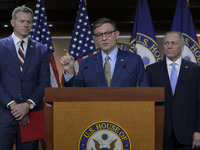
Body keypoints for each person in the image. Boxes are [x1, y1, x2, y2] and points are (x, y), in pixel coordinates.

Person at [0, 6, 50, 150]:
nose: (26, 25)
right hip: (4, 115)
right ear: (12, 22)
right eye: (22, 21)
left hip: (32, 114)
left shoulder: (42, 50)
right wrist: (13, 105)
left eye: (29, 22)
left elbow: (44, 82)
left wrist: (28, 105)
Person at [146, 31, 200, 150]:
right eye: (166, 43)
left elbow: (199, 102)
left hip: (188, 134)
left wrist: (198, 130)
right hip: (161, 133)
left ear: (182, 47)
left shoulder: (195, 70)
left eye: (173, 43)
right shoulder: (151, 70)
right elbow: (147, 103)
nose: (169, 46)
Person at [60, 17, 149, 87]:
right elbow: (75, 93)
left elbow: (144, 89)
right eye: (99, 35)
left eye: (108, 33)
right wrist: (69, 71)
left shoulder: (134, 60)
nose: (104, 38)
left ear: (117, 34)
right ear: (95, 39)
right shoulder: (86, 64)